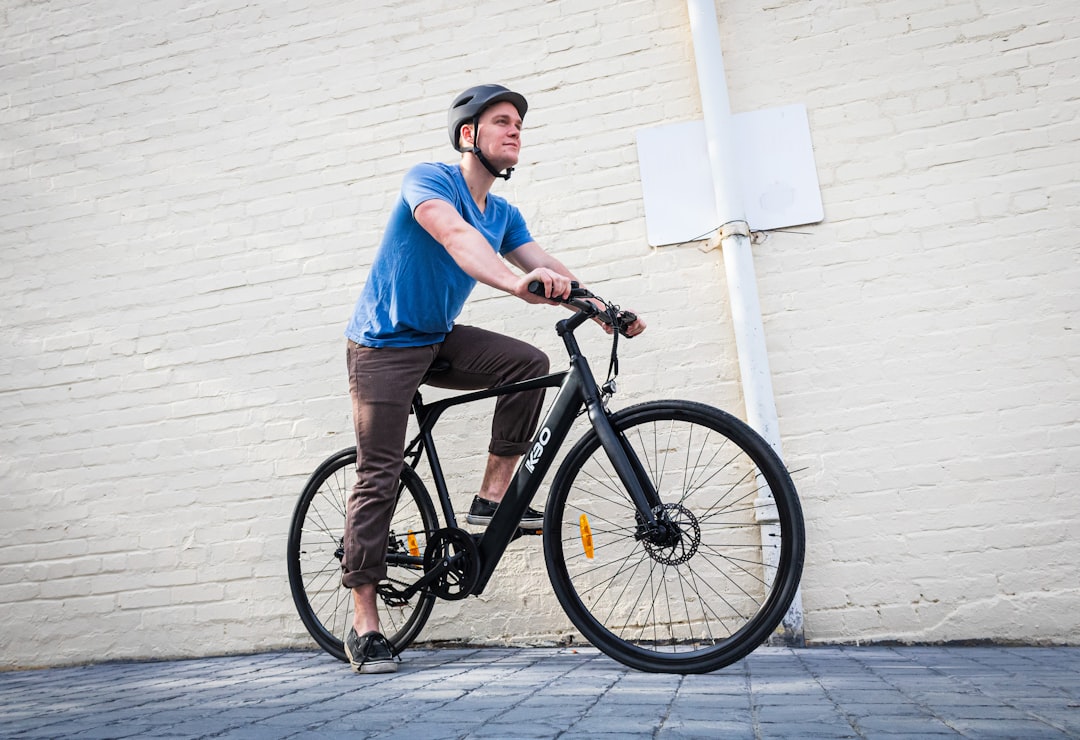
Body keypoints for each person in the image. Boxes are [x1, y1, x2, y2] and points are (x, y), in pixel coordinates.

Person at [341, 84, 646, 674]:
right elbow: (456, 239)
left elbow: (546, 265)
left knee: (528, 366)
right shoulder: (428, 182)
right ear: (467, 135)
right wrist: (513, 285)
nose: (515, 132)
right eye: (501, 122)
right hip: (380, 346)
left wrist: (601, 307)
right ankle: (365, 620)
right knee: (379, 472)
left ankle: (490, 495)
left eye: (519, 126)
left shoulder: (504, 214)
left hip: (434, 339)